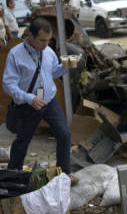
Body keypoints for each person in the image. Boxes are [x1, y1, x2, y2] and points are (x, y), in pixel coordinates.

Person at [2, 17, 79, 185]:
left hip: (49, 101)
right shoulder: (16, 54)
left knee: (64, 135)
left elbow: (52, 72)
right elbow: (8, 84)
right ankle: (13, 175)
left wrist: (66, 66)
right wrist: (29, 98)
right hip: (29, 104)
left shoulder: (48, 51)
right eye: (42, 40)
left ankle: (64, 174)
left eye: (48, 40)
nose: (45, 44)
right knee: (23, 140)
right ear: (30, 35)